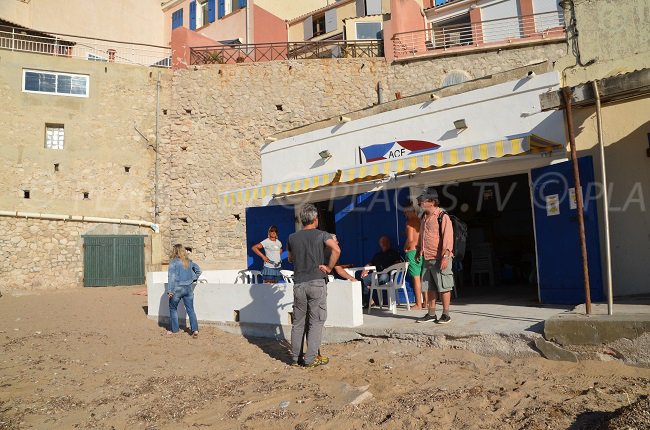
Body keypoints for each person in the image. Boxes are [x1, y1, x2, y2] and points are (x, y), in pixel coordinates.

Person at [287, 204, 340, 368]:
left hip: (299, 283)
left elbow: (290, 259)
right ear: (315, 219)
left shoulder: (292, 238)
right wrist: (329, 268)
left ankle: (295, 358)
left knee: (298, 322)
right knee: (316, 321)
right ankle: (311, 359)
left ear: (302, 220)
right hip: (317, 281)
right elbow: (336, 250)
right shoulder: (322, 234)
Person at [415, 188, 454, 324]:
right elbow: (422, 236)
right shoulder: (424, 218)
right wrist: (419, 250)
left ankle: (446, 314)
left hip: (440, 258)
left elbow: (448, 237)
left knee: (444, 286)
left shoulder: (442, 216)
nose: (419, 202)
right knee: (429, 287)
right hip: (427, 258)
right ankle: (431, 314)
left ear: (431, 202)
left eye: (422, 199)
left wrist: (445, 256)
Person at [166, 244, 202, 337]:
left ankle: (175, 330)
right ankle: (195, 330)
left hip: (177, 289)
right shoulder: (189, 261)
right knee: (190, 309)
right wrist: (193, 278)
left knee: (173, 309)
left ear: (175, 251)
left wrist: (170, 290)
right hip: (188, 288)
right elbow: (199, 271)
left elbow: (171, 277)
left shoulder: (173, 262)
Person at [360, 235, 401, 307]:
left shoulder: (393, 253)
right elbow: (371, 263)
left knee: (382, 277)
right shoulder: (378, 255)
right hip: (377, 275)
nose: (385, 243)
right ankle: (369, 302)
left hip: (388, 275)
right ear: (380, 244)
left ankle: (372, 283)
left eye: (386, 242)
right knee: (362, 280)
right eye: (383, 242)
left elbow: (398, 262)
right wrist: (366, 268)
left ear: (389, 243)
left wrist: (388, 268)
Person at [403, 200, 424, 310]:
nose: (405, 215)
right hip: (422, 251)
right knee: (423, 278)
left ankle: (418, 304)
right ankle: (426, 302)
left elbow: (410, 240)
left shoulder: (410, 222)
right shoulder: (421, 221)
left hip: (413, 252)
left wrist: (405, 247)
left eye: (405, 212)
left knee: (416, 278)